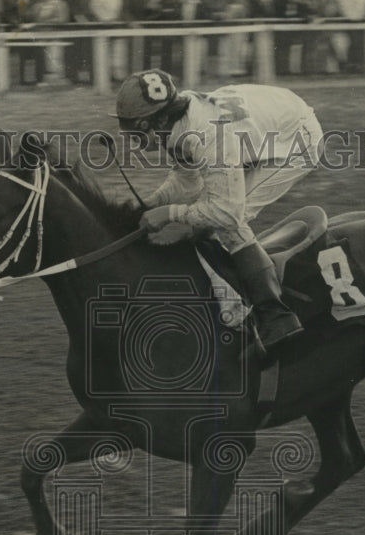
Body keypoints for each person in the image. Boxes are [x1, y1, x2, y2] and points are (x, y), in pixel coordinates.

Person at [111, 69, 323, 351]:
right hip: (269, 124)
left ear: (158, 119)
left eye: (135, 130)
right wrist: (151, 203)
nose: (131, 139)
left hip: (297, 141)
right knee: (207, 216)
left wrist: (169, 214)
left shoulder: (202, 133)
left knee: (229, 224)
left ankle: (277, 316)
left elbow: (227, 212)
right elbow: (186, 181)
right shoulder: (176, 124)